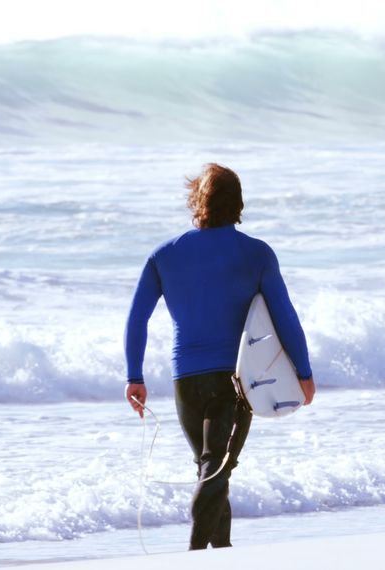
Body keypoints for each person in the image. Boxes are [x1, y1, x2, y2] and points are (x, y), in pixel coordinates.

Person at [123, 163, 316, 550]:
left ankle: (221, 553)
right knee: (216, 470)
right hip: (235, 382)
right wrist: (303, 372)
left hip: (186, 382)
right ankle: (193, 554)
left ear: (197, 200)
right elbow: (285, 315)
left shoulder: (164, 255)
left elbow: (137, 317)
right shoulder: (256, 254)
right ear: (238, 203)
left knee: (213, 469)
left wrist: (135, 376)